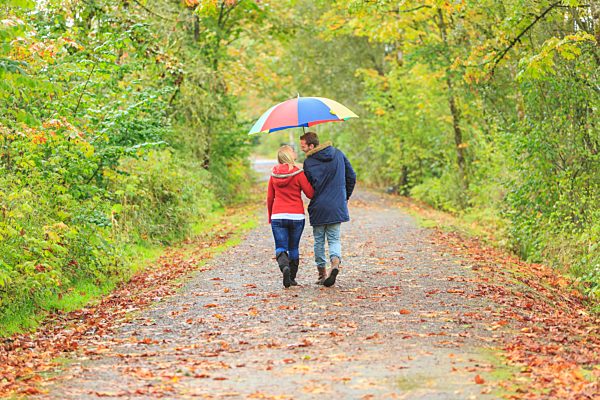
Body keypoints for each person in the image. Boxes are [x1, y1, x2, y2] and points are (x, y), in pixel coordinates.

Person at [300, 132, 356, 287]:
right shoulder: (338, 154)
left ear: (311, 146)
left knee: (319, 240)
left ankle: (322, 274)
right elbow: (352, 176)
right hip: (336, 205)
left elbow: (309, 188)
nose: (301, 149)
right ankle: (335, 264)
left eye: (303, 146)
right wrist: (345, 197)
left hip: (318, 206)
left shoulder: (309, 162)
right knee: (334, 239)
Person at [267, 145, 315, 288]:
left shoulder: (274, 174)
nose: (295, 153)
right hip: (296, 216)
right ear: (289, 156)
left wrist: (271, 216)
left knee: (281, 246)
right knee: (293, 247)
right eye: (293, 152)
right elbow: (310, 194)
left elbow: (270, 197)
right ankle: (292, 278)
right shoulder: (298, 173)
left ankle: (284, 268)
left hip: (278, 215)